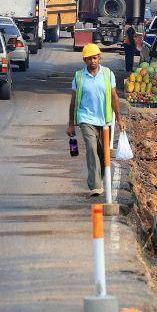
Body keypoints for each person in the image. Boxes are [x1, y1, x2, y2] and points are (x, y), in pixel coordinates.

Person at [67, 43, 127, 197]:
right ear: (84, 60)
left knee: (103, 152)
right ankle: (95, 185)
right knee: (91, 149)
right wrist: (71, 124)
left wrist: (119, 120)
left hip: (104, 120)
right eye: (88, 59)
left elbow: (114, 98)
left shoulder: (108, 74)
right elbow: (73, 102)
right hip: (86, 119)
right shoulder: (79, 77)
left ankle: (98, 178)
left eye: (94, 58)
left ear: (100, 58)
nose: (92, 61)